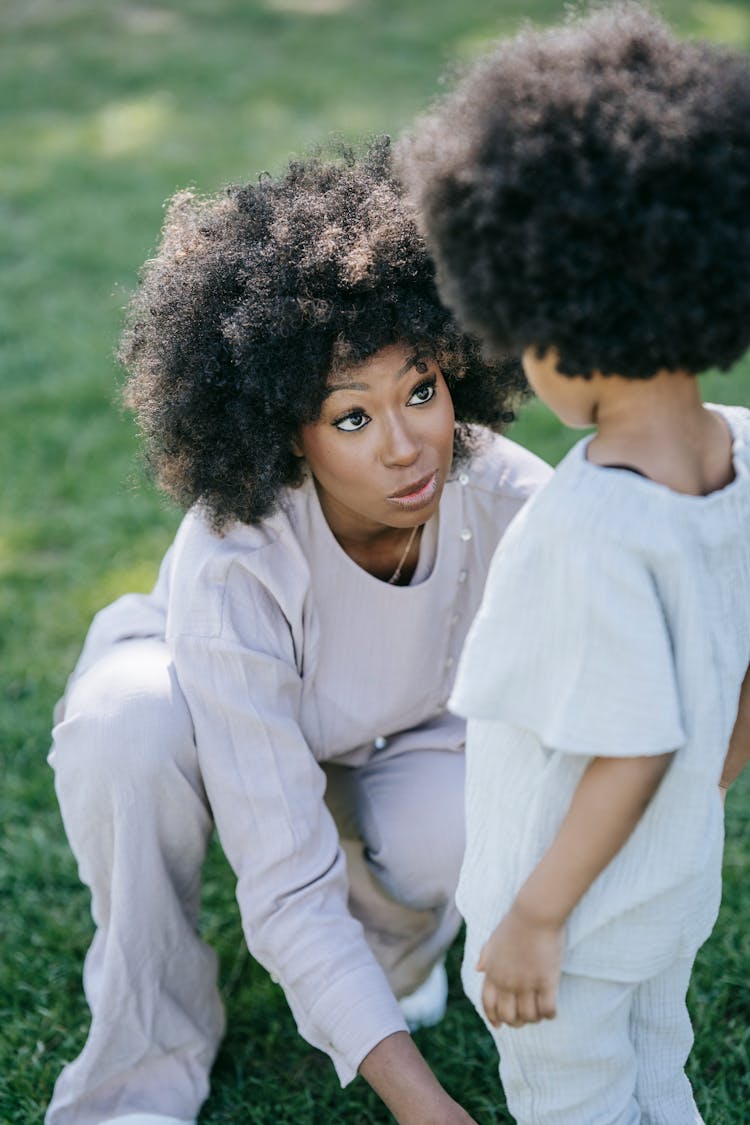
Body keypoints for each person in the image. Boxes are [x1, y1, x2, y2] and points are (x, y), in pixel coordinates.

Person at [46, 137, 551, 1125]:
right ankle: (141, 1067)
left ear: (456, 370)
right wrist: (422, 1104)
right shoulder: (235, 557)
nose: (406, 445)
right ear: (289, 432)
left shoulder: (504, 497)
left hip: (402, 728)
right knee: (125, 731)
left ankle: (396, 953)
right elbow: (282, 881)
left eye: (420, 391)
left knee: (466, 819)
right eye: (351, 419)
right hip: (200, 700)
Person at [398, 4, 750, 1122]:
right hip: (671, 884)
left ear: (549, 317)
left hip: (575, 911)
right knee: (659, 1074)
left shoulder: (587, 529)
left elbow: (629, 746)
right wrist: (708, 791)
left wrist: (537, 918)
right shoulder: (743, 449)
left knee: (577, 1101)